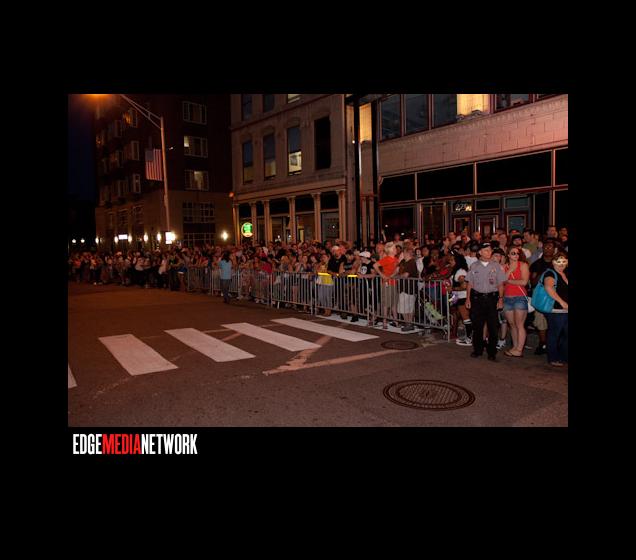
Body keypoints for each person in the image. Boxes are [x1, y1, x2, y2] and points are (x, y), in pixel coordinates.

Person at [465, 242, 507, 361]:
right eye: (486, 250)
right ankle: (477, 350)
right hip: (477, 299)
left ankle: (492, 352)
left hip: (492, 298)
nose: (489, 252)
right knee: (477, 326)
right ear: (480, 252)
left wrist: (500, 299)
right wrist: (468, 298)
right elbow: (470, 284)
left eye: (490, 250)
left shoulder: (496, 266)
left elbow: (501, 284)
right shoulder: (474, 266)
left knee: (493, 326)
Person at [529, 239, 556, 355]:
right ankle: (543, 343)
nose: (547, 249)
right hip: (541, 297)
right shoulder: (537, 264)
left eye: (550, 247)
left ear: (554, 249)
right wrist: (544, 272)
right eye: (545, 247)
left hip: (556, 296)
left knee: (556, 322)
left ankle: (554, 345)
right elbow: (533, 282)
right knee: (540, 321)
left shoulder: (559, 263)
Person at [502, 245, 530, 357]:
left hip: (520, 297)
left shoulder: (523, 265)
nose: (516, 255)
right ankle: (515, 347)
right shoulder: (504, 266)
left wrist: (508, 281)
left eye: (518, 253)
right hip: (507, 297)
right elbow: (501, 282)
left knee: (519, 324)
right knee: (512, 324)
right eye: (513, 253)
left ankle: (519, 349)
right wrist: (510, 271)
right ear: (508, 255)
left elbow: (524, 282)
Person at [543, 251, 569, 367]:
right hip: (556, 310)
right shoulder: (550, 273)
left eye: (564, 261)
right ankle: (553, 358)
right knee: (554, 334)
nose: (561, 264)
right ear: (553, 262)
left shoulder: (565, 273)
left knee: (566, 335)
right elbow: (548, 288)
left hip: (566, 310)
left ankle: (564, 357)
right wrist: (561, 302)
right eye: (558, 261)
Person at [374, 242, 399, 329]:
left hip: (393, 283)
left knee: (394, 303)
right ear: (390, 250)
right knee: (386, 303)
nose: (396, 250)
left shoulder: (396, 259)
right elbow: (375, 265)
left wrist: (391, 275)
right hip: (386, 284)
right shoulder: (387, 259)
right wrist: (382, 275)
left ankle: (396, 321)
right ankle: (384, 322)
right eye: (394, 248)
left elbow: (396, 271)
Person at [397, 247, 419, 331]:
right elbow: (398, 270)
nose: (403, 254)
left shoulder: (411, 262)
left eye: (404, 252)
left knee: (405, 308)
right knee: (407, 308)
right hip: (405, 288)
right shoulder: (404, 262)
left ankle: (408, 323)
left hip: (409, 288)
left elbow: (405, 275)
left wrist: (397, 276)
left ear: (407, 253)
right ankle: (409, 323)